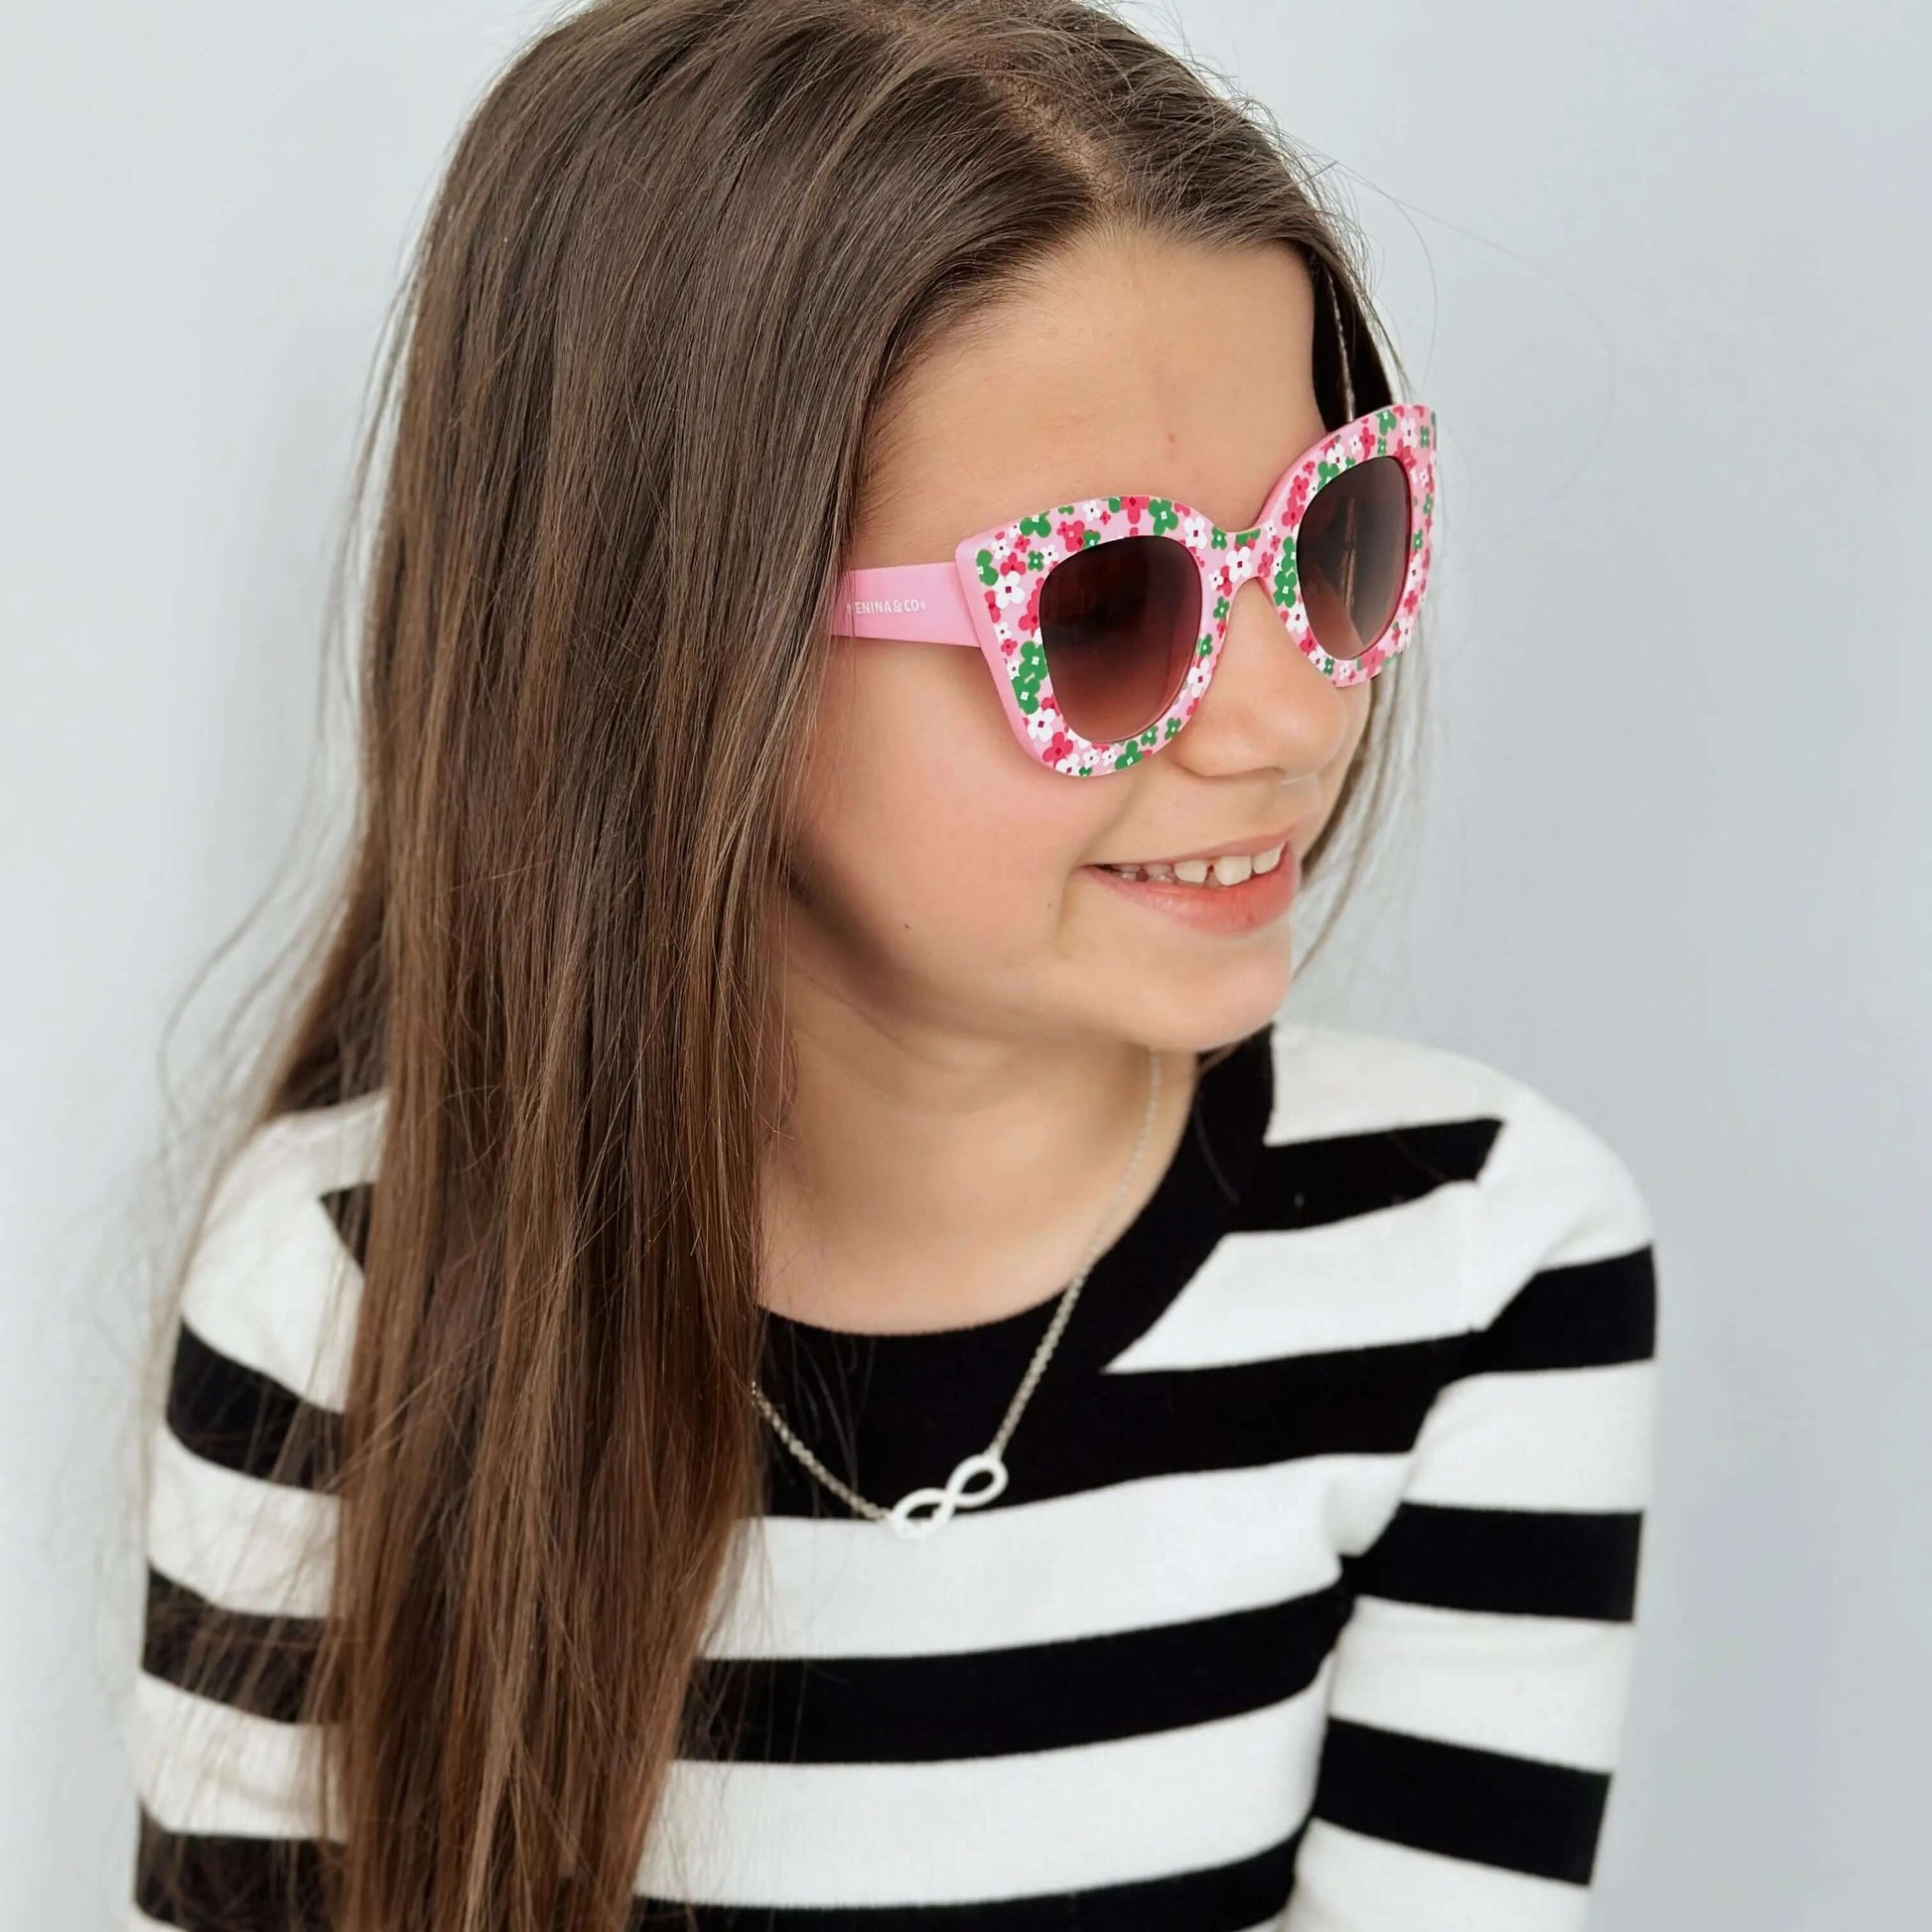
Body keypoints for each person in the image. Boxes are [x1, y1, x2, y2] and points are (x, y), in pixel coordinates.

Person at [125, 1, 1660, 1927]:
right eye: (1103, 603)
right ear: (681, 647)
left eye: (1330, 538)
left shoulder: (1468, 1263)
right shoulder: (355, 1292)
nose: (1288, 716)